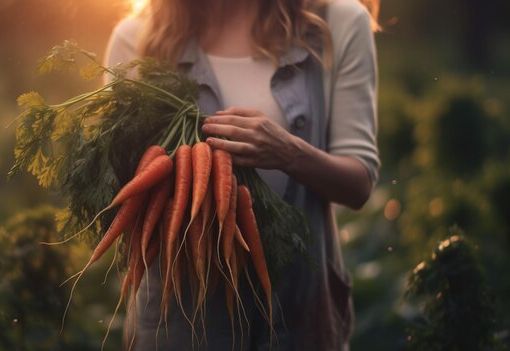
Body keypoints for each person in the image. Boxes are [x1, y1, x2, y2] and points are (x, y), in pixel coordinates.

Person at [104, 0, 380, 349]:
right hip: (180, 324)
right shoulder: (136, 39)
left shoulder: (335, 24)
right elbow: (112, 186)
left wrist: (288, 152)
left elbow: (358, 183)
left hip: (297, 319)